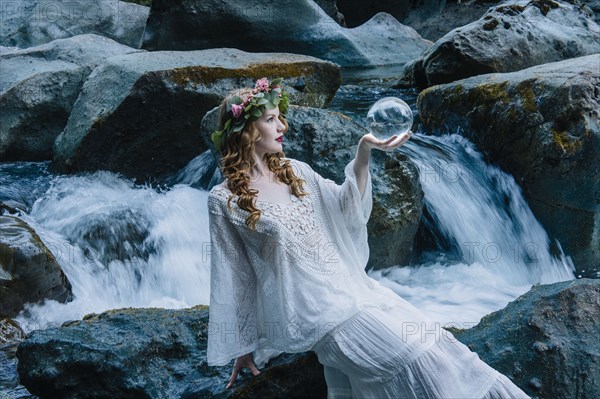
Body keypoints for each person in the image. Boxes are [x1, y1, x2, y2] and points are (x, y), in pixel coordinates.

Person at [206, 77, 529, 398]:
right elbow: (235, 275)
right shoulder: (224, 200)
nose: (283, 126)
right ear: (246, 131)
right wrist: (243, 346)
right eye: (271, 119)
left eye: (280, 117)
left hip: (357, 293)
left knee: (444, 351)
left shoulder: (296, 171)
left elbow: (347, 210)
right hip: (316, 314)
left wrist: (363, 153)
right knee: (420, 363)